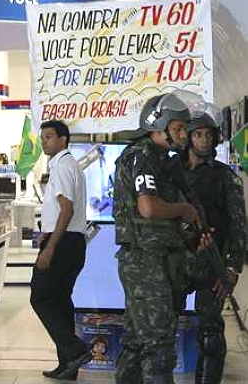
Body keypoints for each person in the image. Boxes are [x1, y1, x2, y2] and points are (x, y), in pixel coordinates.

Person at [114, 92, 203, 384]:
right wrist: (184, 210)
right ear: (158, 127)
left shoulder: (166, 161)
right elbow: (148, 208)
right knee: (159, 349)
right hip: (144, 262)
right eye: (177, 128)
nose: (183, 134)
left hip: (159, 261)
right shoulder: (143, 155)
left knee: (138, 342)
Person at [180, 105, 247, 384]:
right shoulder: (170, 171)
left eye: (209, 134)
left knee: (210, 335)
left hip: (212, 260)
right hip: (176, 260)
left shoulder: (224, 176)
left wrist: (232, 268)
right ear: (188, 138)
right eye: (198, 134)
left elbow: (238, 224)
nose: (205, 140)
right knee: (157, 331)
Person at [30, 120, 90, 381]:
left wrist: (50, 247)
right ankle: (67, 366)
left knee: (40, 297)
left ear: (63, 139)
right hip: (71, 241)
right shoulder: (66, 165)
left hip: (63, 244)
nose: (45, 142)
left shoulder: (63, 165)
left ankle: (75, 350)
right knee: (61, 301)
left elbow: (67, 208)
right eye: (43, 137)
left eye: (50, 137)